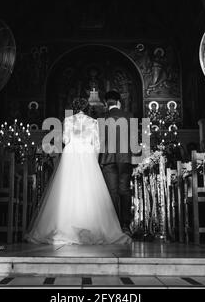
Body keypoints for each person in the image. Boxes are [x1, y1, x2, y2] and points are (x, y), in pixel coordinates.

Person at [25, 98, 131, 245]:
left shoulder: (68, 121)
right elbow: (97, 145)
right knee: (88, 190)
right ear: (87, 108)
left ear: (74, 108)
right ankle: (90, 226)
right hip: (87, 154)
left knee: (69, 189)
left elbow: (65, 139)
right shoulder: (93, 122)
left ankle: (66, 225)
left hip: (71, 155)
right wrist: (94, 161)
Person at [99, 91, 134, 236]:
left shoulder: (102, 118)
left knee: (112, 192)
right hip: (125, 159)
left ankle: (113, 227)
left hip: (107, 159)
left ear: (106, 103)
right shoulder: (129, 116)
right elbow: (134, 140)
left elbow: (99, 142)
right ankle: (125, 226)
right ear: (119, 102)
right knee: (124, 190)